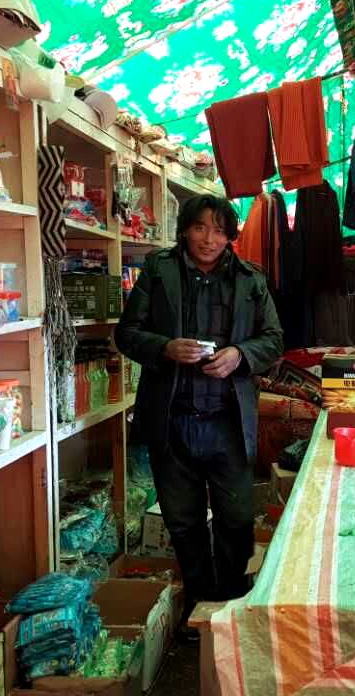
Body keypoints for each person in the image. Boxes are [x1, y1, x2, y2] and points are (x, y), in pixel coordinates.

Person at [115, 195, 284, 631]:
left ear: (230, 236)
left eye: (219, 231)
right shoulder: (159, 270)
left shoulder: (250, 280)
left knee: (237, 519)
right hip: (172, 420)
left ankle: (229, 606)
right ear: (185, 230)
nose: (209, 239)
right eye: (200, 228)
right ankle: (198, 606)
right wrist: (165, 348)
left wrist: (240, 355)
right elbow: (127, 334)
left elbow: (274, 339)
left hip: (228, 423)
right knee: (183, 522)